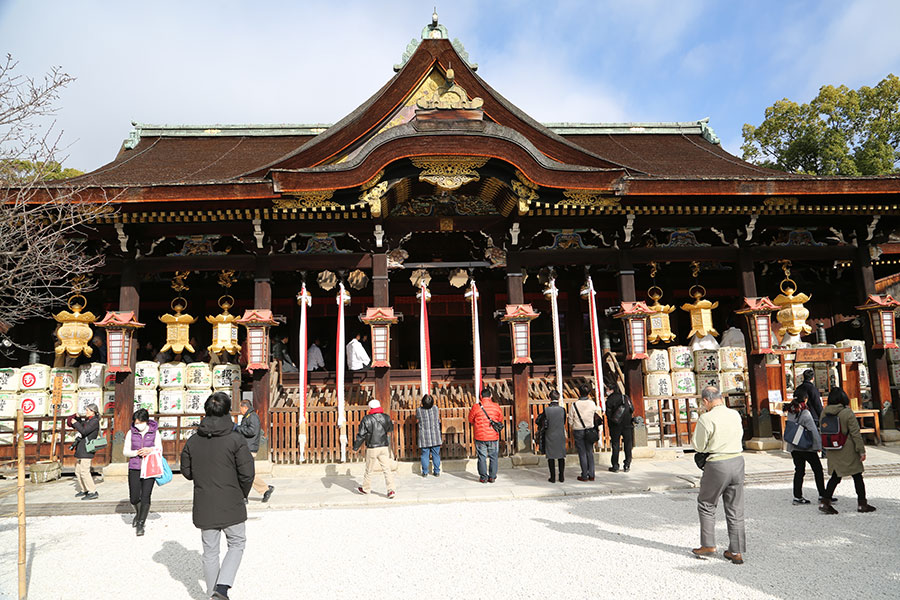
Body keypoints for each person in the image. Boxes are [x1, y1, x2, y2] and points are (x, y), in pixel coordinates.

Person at [181, 392, 255, 600]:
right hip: (231, 499)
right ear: (227, 410)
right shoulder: (235, 439)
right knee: (237, 542)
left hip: (205, 501)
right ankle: (221, 589)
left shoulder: (193, 441)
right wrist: (243, 493)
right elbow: (248, 473)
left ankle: (211, 594)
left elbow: (187, 472)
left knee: (210, 551)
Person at [691, 386, 746, 565]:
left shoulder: (706, 418)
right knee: (735, 507)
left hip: (717, 463)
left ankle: (708, 545)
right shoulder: (735, 415)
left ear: (706, 401)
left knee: (707, 503)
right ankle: (736, 551)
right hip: (737, 461)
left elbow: (699, 445)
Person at [819, 387, 876, 515]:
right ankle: (862, 504)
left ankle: (825, 501)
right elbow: (855, 433)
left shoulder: (824, 413)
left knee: (835, 475)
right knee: (857, 475)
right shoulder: (847, 412)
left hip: (832, 449)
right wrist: (861, 450)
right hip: (847, 447)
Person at [122, 408, 162, 536]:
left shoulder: (155, 433)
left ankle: (140, 523)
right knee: (134, 497)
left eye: (140, 422)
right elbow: (125, 451)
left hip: (150, 468)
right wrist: (136, 453)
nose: (137, 425)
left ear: (146, 421)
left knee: (145, 496)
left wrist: (149, 450)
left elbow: (159, 449)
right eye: (136, 422)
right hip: (135, 466)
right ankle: (139, 514)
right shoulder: (130, 433)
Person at [784, 397, 826, 504]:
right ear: (805, 399)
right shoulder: (805, 413)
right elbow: (813, 430)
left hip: (795, 446)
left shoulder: (791, 411)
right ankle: (822, 494)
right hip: (807, 447)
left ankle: (797, 496)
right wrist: (818, 446)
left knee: (799, 471)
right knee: (817, 470)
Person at [354, 399, 395, 497]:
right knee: (386, 469)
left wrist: (356, 447)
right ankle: (391, 490)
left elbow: (362, 434)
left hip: (372, 447)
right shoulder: (386, 417)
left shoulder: (366, 419)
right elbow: (390, 429)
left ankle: (366, 488)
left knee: (369, 470)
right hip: (384, 446)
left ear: (370, 408)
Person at [236, 400, 274, 503]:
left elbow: (252, 431)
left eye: (240, 408)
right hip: (247, 447)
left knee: (246, 473)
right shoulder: (249, 416)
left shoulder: (252, 417)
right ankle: (264, 489)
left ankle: (261, 490)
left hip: (249, 448)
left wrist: (238, 428)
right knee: (246, 472)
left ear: (245, 407)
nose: (240, 410)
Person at [468, 388, 502, 483]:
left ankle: (483, 477)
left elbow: (470, 419)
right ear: (491, 396)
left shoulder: (476, 407)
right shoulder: (496, 406)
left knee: (482, 456)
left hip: (480, 436)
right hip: (493, 436)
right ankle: (492, 476)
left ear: (481, 397)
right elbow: (500, 419)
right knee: (493, 456)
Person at [569, 383, 602, 481]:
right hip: (590, 429)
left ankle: (584, 475)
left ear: (579, 393)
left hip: (578, 429)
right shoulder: (592, 403)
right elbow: (595, 414)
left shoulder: (574, 405)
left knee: (582, 453)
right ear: (588, 393)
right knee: (589, 452)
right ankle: (592, 474)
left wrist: (572, 426)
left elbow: (570, 419)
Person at [68, 403, 100, 500]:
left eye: (87, 410)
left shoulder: (94, 421)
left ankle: (92, 491)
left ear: (93, 412)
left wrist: (75, 423)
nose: (85, 412)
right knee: (78, 471)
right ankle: (85, 489)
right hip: (82, 449)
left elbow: (84, 431)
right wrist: (78, 420)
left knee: (84, 471)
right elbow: (83, 426)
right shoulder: (89, 420)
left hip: (87, 450)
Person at [536, 390, 567, 483]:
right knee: (561, 456)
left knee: (551, 457)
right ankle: (561, 476)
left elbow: (538, 420)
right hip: (560, 434)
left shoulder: (547, 410)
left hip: (550, 434)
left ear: (549, 398)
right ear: (559, 398)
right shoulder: (562, 410)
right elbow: (564, 421)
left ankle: (552, 477)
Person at [605, 383, 634, 473]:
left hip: (615, 426)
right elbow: (632, 409)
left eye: (607, 389)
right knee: (628, 445)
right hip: (628, 424)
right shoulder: (625, 397)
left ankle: (615, 465)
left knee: (615, 445)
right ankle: (627, 464)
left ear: (611, 390)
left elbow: (608, 414)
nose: (606, 391)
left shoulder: (610, 400)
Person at [416, 394, 442, 477]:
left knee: (424, 455)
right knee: (436, 454)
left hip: (424, 437)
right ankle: (437, 471)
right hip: (435, 436)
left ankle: (425, 472)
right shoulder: (435, 409)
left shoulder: (419, 410)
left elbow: (418, 418)